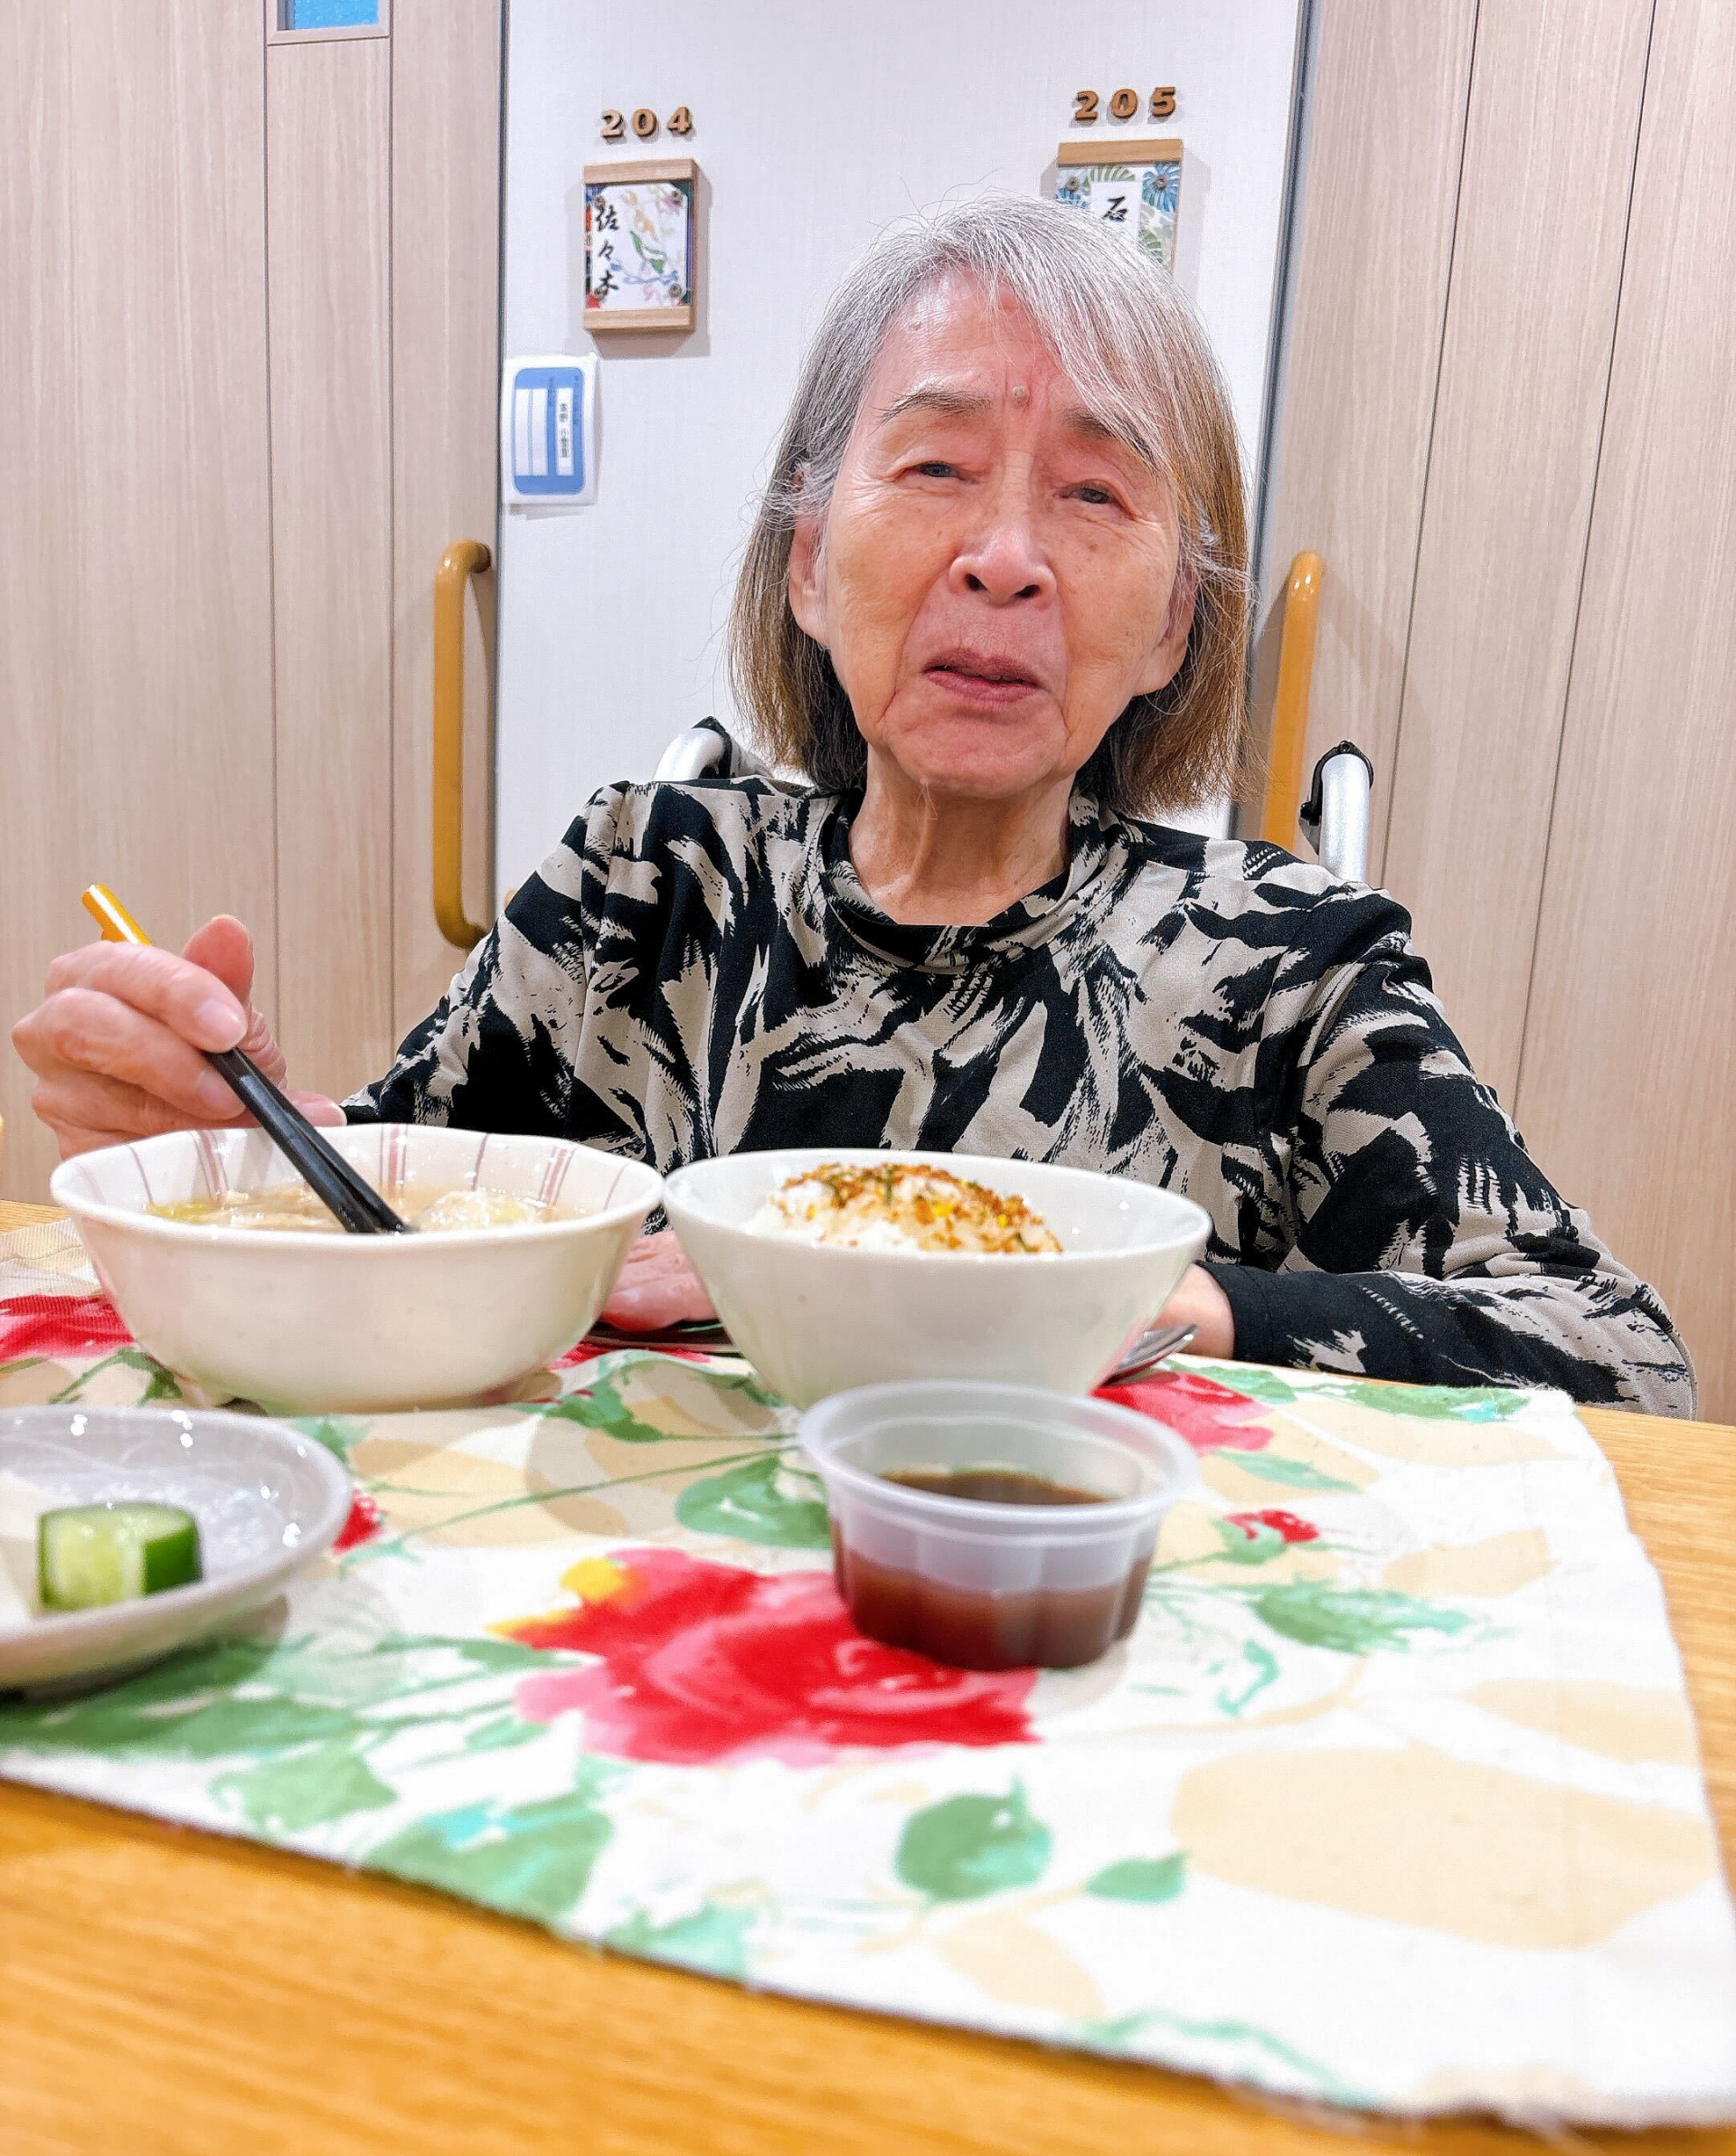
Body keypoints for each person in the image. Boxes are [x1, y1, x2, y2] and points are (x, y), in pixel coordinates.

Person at [13, 196, 1692, 1414]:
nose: (1006, 557)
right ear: (810, 559)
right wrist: (226, 1165)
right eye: (936, 466)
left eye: (1094, 493)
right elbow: (378, 1231)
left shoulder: (1291, 961)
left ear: (1176, 623)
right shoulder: (638, 887)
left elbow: (1619, 1356)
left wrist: (1147, 1299)